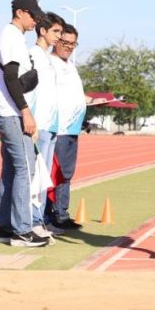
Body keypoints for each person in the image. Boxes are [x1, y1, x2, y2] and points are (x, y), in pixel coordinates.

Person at [0, 0, 49, 247]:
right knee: (25, 168)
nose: (36, 21)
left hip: (7, 108)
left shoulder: (12, 37)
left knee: (12, 170)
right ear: (21, 13)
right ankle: (22, 231)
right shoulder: (11, 36)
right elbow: (12, 78)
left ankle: (5, 228)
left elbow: (14, 78)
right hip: (11, 111)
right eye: (34, 16)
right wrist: (26, 111)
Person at [47, 23, 107, 230]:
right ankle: (52, 215)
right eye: (65, 42)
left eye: (74, 44)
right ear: (57, 40)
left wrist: (93, 100)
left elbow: (75, 95)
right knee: (56, 173)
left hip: (72, 128)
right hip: (59, 128)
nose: (70, 47)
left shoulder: (70, 66)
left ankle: (61, 213)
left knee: (67, 173)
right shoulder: (49, 63)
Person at [29, 12, 64, 239]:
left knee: (45, 177)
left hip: (52, 124)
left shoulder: (48, 59)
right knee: (35, 176)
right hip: (39, 124)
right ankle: (32, 220)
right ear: (43, 30)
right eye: (56, 32)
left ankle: (40, 219)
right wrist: (31, 122)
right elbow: (29, 93)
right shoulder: (32, 55)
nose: (59, 37)